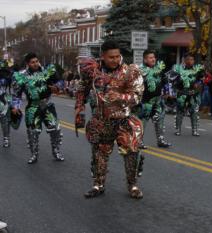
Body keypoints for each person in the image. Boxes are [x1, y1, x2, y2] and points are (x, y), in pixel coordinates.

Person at [75, 40, 144, 199]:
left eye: (117, 56)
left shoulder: (129, 71)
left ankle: (132, 185)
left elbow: (138, 96)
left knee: (131, 152)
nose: (115, 60)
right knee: (99, 153)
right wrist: (79, 109)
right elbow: (81, 90)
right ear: (103, 56)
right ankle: (98, 185)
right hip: (101, 120)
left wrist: (120, 97)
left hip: (123, 120)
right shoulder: (92, 71)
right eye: (111, 57)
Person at [12, 53, 64, 164]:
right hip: (33, 107)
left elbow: (60, 81)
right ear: (27, 64)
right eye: (32, 62)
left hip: (48, 105)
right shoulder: (21, 76)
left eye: (36, 61)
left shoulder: (47, 71)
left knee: (55, 129)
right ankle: (34, 155)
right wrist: (15, 106)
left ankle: (56, 152)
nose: (35, 64)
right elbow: (17, 94)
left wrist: (57, 86)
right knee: (32, 132)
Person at [137, 50, 171, 148]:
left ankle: (160, 140)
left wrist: (166, 92)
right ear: (145, 59)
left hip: (157, 100)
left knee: (159, 120)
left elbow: (165, 82)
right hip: (145, 101)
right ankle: (139, 141)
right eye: (150, 57)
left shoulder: (159, 69)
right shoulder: (140, 70)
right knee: (143, 122)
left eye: (154, 57)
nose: (153, 59)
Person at [170, 53, 204, 136]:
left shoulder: (198, 70)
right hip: (182, 93)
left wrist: (198, 85)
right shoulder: (178, 69)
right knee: (180, 112)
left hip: (193, 94)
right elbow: (172, 80)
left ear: (194, 61)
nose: (190, 61)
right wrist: (176, 89)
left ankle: (195, 130)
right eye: (188, 59)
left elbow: (202, 81)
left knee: (194, 112)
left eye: (191, 60)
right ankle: (178, 129)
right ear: (184, 60)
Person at [0, 59, 13, 147]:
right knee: (5, 120)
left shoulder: (6, 76)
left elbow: (9, 84)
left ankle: (6, 138)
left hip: (3, 100)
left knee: (5, 120)